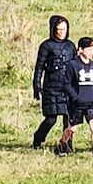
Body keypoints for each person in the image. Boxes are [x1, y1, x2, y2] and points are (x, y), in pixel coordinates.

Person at [31, 14, 76, 150]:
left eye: (64, 29)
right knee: (51, 118)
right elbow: (39, 67)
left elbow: (76, 65)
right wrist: (37, 85)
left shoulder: (70, 46)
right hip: (51, 87)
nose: (62, 33)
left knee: (68, 118)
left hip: (68, 87)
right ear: (53, 30)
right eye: (59, 30)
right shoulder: (46, 46)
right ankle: (38, 139)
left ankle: (67, 143)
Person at [56, 36, 93, 159]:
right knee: (72, 129)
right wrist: (75, 97)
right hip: (76, 103)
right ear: (80, 50)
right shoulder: (72, 65)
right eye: (89, 49)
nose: (91, 52)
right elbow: (67, 83)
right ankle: (62, 143)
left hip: (91, 103)